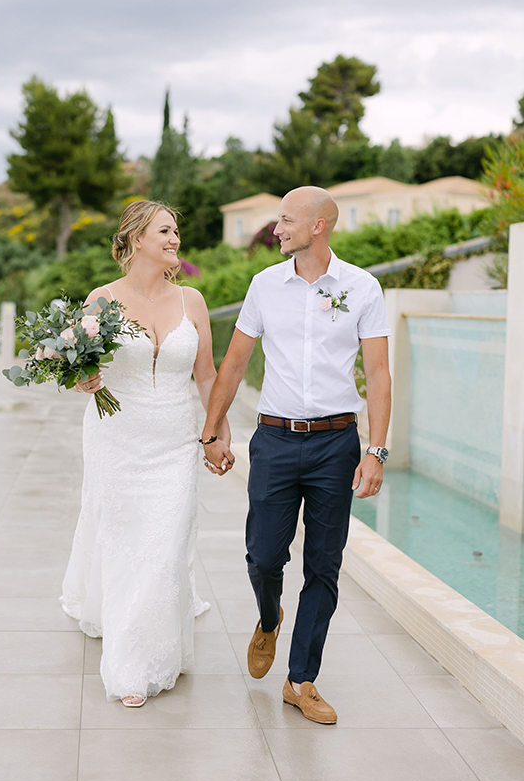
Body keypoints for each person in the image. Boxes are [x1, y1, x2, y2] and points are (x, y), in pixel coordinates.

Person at [202, 186, 391, 724]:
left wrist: (375, 449)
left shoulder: (362, 287)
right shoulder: (265, 285)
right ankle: (268, 618)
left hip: (336, 443)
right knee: (264, 556)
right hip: (276, 439)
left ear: (318, 226)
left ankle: (301, 679)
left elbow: (377, 373)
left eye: (286, 220)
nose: (277, 228)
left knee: (324, 566)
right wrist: (212, 431)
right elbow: (235, 363)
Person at [61, 200, 231, 707]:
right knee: (124, 540)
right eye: (165, 230)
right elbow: (78, 371)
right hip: (117, 439)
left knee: (165, 542)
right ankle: (131, 663)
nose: (175, 239)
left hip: (176, 442)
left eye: (176, 230)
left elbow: (206, 373)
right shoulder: (102, 299)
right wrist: (84, 380)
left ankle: (145, 655)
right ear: (136, 239)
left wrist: (217, 430)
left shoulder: (192, 302)